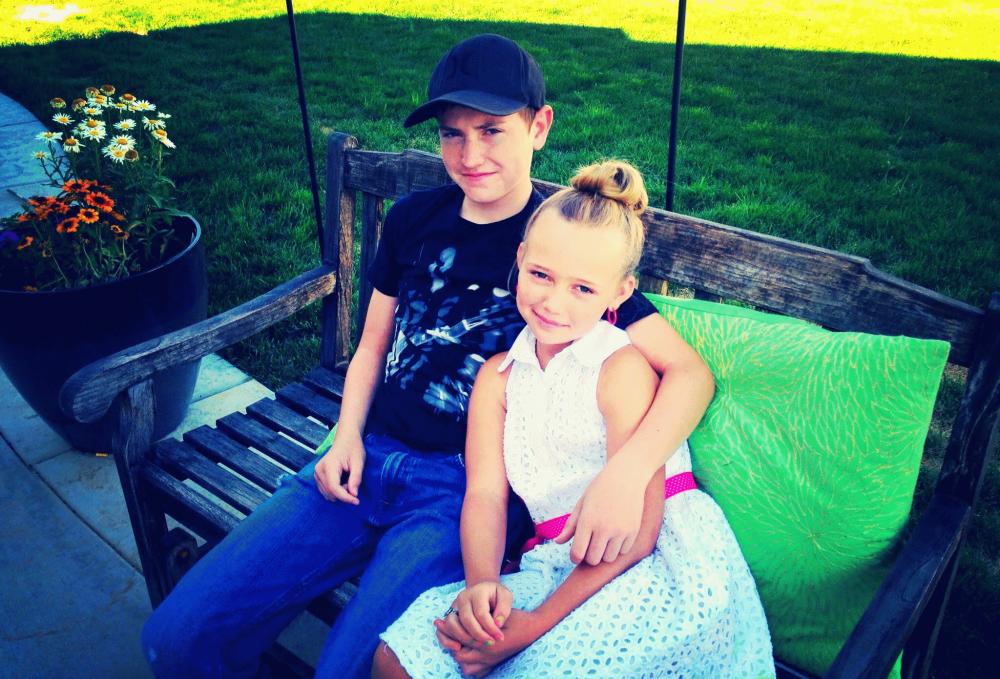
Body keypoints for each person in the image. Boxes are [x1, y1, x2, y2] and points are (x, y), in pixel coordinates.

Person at [141, 34, 714, 679]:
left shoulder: (562, 246)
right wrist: (345, 436)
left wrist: (625, 474)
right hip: (365, 460)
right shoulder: (413, 219)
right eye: (451, 134)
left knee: (350, 669)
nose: (470, 155)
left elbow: (689, 374)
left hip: (461, 494)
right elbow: (371, 345)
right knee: (176, 638)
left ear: (539, 127)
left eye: (492, 130)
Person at [372, 161, 774, 678]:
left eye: (583, 289)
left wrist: (532, 626)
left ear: (620, 293)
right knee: (398, 657)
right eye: (541, 275)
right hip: (556, 563)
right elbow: (486, 495)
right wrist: (482, 584)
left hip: (653, 568)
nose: (553, 302)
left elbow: (640, 533)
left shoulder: (619, 369)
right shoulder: (497, 379)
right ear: (520, 259)